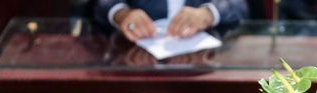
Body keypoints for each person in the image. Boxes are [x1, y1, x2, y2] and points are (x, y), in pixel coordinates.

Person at [94, 0, 249, 41]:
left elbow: (239, 5)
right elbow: (103, 4)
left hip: (201, 62)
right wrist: (122, 14)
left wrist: (208, 13)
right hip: (137, 60)